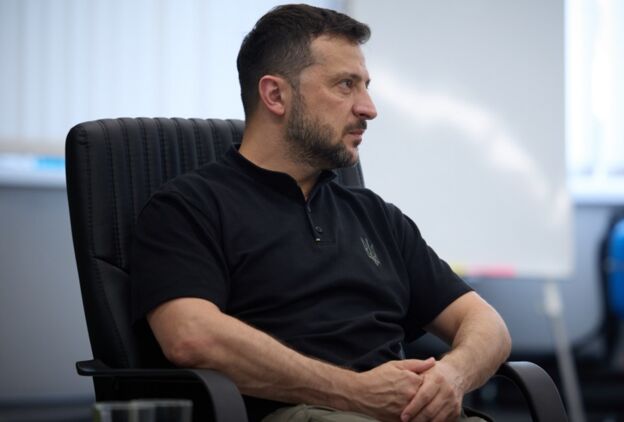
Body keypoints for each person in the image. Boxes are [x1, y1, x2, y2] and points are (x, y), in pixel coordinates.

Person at [130, 4, 511, 421]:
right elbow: (190, 336)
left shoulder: (375, 216)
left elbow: (486, 323)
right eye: (346, 85)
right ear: (276, 95)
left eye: (365, 86)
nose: (369, 108)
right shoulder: (189, 207)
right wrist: (355, 392)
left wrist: (452, 376)